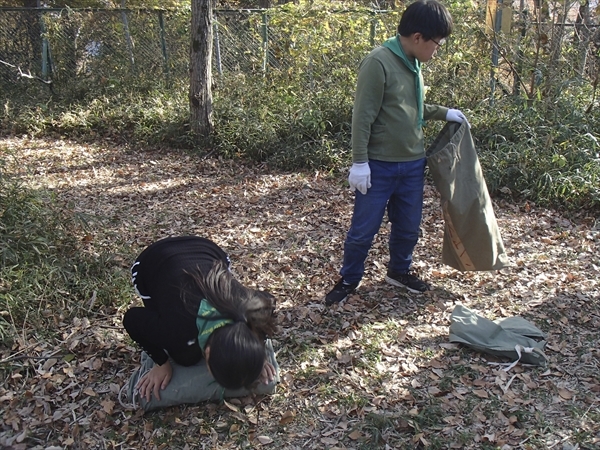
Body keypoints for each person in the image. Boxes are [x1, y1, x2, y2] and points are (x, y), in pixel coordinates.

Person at [325, 0, 469, 306]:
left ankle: (399, 271)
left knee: (408, 227)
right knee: (363, 231)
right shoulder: (378, 63)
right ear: (418, 37)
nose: (438, 49)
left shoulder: (413, 63)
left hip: (412, 165)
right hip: (379, 167)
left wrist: (445, 113)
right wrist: (359, 163)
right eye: (437, 42)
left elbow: (410, 108)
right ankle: (350, 278)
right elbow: (362, 117)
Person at [123, 236, 277, 402]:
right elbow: (131, 319)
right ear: (208, 352)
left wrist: (256, 358)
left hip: (208, 250)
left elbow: (270, 299)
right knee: (185, 356)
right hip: (153, 261)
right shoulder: (175, 332)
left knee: (186, 353)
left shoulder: (254, 310)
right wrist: (161, 363)